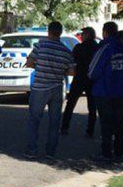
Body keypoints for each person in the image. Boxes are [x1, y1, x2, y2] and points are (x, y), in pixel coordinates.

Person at [23, 21, 75, 160]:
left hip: (40, 88)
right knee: (54, 121)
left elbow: (29, 63)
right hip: (57, 88)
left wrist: (39, 66)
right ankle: (50, 152)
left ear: (49, 32)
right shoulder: (66, 51)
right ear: (60, 33)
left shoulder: (40, 46)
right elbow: (71, 72)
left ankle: (32, 150)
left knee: (34, 120)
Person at [88, 22, 123, 162]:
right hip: (122, 91)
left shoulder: (105, 48)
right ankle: (119, 151)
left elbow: (92, 71)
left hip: (105, 91)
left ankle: (106, 152)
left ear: (105, 32)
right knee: (119, 121)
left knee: (106, 123)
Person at [61, 27, 99, 136]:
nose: (81, 36)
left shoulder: (79, 47)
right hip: (92, 79)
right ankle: (90, 130)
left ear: (87, 35)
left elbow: (72, 60)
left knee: (71, 104)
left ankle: (64, 127)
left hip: (80, 78)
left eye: (83, 34)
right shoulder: (97, 47)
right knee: (92, 106)